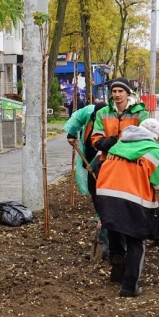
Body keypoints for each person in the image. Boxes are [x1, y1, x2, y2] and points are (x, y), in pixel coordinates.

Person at [96, 119, 159, 297]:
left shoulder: (117, 147)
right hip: (133, 202)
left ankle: (117, 267)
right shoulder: (154, 152)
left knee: (115, 229)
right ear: (155, 136)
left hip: (106, 197)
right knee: (136, 241)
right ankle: (129, 287)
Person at [91, 77, 149, 281]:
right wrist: (106, 144)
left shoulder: (139, 113)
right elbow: (95, 138)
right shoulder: (103, 113)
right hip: (108, 167)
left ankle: (127, 255)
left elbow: (146, 139)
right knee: (111, 211)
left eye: (120, 91)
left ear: (127, 93)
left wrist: (122, 148)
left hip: (131, 168)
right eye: (113, 91)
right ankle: (116, 256)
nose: (116, 95)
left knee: (128, 209)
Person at [64, 101, 109, 257]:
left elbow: (108, 145)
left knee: (106, 197)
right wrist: (71, 134)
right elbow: (75, 119)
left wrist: (96, 163)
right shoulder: (88, 113)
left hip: (107, 162)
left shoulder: (111, 119)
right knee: (95, 191)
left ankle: (109, 239)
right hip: (90, 157)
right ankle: (101, 215)